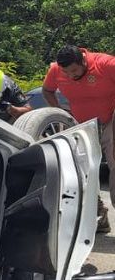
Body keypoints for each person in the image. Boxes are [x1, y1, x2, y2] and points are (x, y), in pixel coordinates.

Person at [43, 44, 115, 232]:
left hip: (109, 120)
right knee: (82, 171)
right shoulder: (55, 70)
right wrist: (59, 110)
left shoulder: (106, 64)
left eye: (74, 71)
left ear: (83, 61)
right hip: (81, 125)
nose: (70, 76)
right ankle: (99, 216)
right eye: (65, 72)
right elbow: (47, 90)